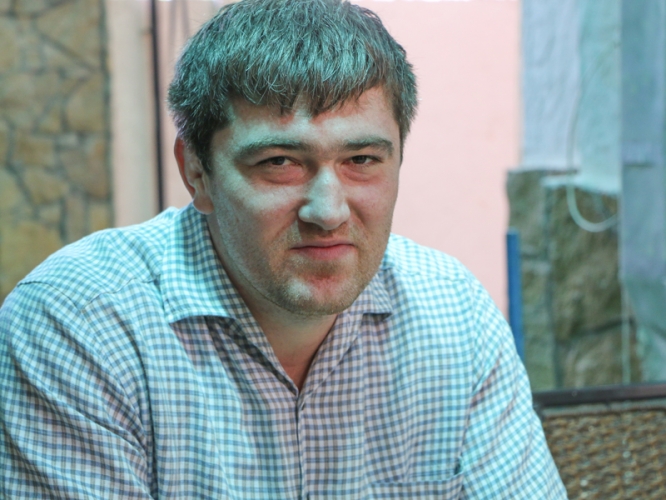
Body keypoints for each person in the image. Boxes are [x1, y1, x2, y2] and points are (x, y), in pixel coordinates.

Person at [0, 0, 566, 498]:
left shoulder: (454, 317)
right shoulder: (81, 325)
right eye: (280, 163)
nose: (328, 210)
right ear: (196, 171)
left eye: (362, 160)